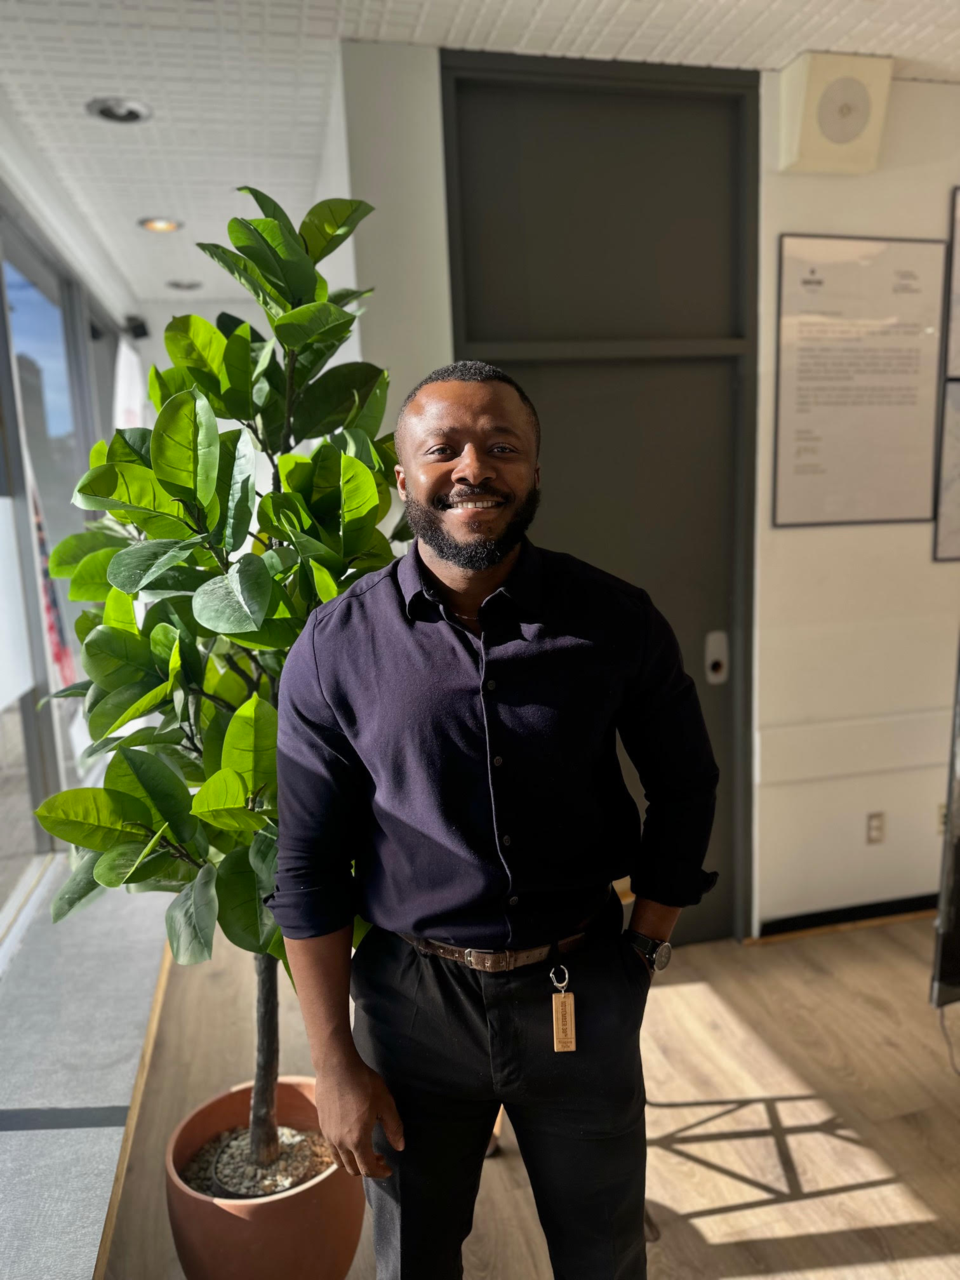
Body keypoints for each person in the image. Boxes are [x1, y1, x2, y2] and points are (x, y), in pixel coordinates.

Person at [267, 360, 720, 1279]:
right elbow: (307, 865)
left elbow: (686, 783)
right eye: (445, 449)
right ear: (403, 475)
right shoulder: (335, 647)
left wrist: (645, 946)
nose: (474, 467)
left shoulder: (616, 621)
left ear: (535, 471)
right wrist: (335, 1063)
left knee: (604, 1255)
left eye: (502, 446)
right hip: (411, 1006)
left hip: (581, 983)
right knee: (415, 1258)